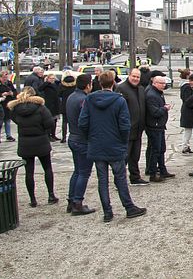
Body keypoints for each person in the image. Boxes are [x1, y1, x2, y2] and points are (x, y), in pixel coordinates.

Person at [79, 71, 147, 222]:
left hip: (97, 144)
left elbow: (82, 122)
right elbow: (125, 125)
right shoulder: (119, 101)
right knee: (120, 178)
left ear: (99, 83)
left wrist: (91, 137)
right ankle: (128, 207)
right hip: (115, 144)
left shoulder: (90, 99)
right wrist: (123, 141)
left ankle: (107, 212)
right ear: (113, 83)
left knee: (102, 179)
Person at [9, 87, 58, 207]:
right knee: (47, 168)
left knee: (29, 172)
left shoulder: (15, 109)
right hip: (41, 139)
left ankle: (32, 199)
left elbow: (15, 120)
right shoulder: (41, 108)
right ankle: (51, 195)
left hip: (25, 142)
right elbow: (50, 123)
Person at [65, 74, 97, 215]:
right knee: (84, 172)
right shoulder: (84, 100)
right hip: (82, 140)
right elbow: (86, 121)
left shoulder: (71, 97)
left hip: (73, 137)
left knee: (77, 171)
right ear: (88, 85)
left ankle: (72, 200)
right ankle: (78, 202)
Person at [116, 68, 149, 186]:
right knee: (124, 157)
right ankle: (119, 180)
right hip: (127, 130)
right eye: (134, 76)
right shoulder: (121, 89)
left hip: (139, 129)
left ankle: (135, 177)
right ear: (129, 76)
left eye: (138, 77)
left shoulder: (141, 89)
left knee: (135, 156)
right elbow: (118, 110)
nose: (135, 79)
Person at [145, 75, 175, 182]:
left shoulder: (158, 93)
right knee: (155, 150)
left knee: (161, 149)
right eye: (161, 83)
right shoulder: (151, 95)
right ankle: (153, 173)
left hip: (160, 126)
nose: (164, 85)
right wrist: (165, 108)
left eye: (164, 83)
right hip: (154, 126)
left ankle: (163, 170)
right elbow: (154, 112)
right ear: (154, 83)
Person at [0, 70, 17, 142]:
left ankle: (8, 135)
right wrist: (2, 94)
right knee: (0, 121)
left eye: (6, 77)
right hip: (0, 104)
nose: (5, 79)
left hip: (8, 103)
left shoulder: (9, 83)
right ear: (0, 77)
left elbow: (14, 91)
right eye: (4, 77)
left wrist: (11, 93)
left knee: (7, 120)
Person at [39, 73, 61, 142]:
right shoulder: (46, 85)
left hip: (56, 104)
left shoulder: (56, 85)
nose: (52, 80)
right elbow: (40, 88)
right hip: (49, 104)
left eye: (53, 78)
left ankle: (53, 135)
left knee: (55, 121)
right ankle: (48, 135)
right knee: (49, 121)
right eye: (51, 78)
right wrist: (47, 82)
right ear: (48, 79)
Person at [179, 68, 193, 154]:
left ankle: (186, 145)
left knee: (187, 129)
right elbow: (188, 99)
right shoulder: (187, 87)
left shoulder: (183, 85)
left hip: (185, 109)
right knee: (188, 129)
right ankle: (185, 146)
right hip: (188, 111)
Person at [59, 73, 76, 144]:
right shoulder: (75, 85)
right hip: (73, 104)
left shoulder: (62, 85)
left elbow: (59, 94)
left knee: (64, 121)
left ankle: (64, 137)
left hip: (64, 105)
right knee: (74, 121)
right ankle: (74, 135)